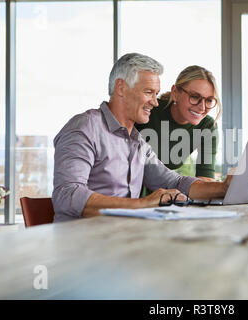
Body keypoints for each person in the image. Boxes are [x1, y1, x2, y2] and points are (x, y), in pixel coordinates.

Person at [52, 53, 231, 222]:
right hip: (83, 243)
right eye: (148, 92)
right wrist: (143, 204)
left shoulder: (136, 141)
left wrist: (224, 188)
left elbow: (174, 181)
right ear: (121, 88)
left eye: (156, 93)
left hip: (124, 238)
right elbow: (67, 194)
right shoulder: (85, 128)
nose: (155, 101)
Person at [135, 65, 221, 181]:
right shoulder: (148, 112)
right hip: (129, 189)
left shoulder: (207, 127)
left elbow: (205, 178)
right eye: (195, 97)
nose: (202, 107)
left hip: (164, 192)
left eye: (209, 100)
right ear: (175, 93)